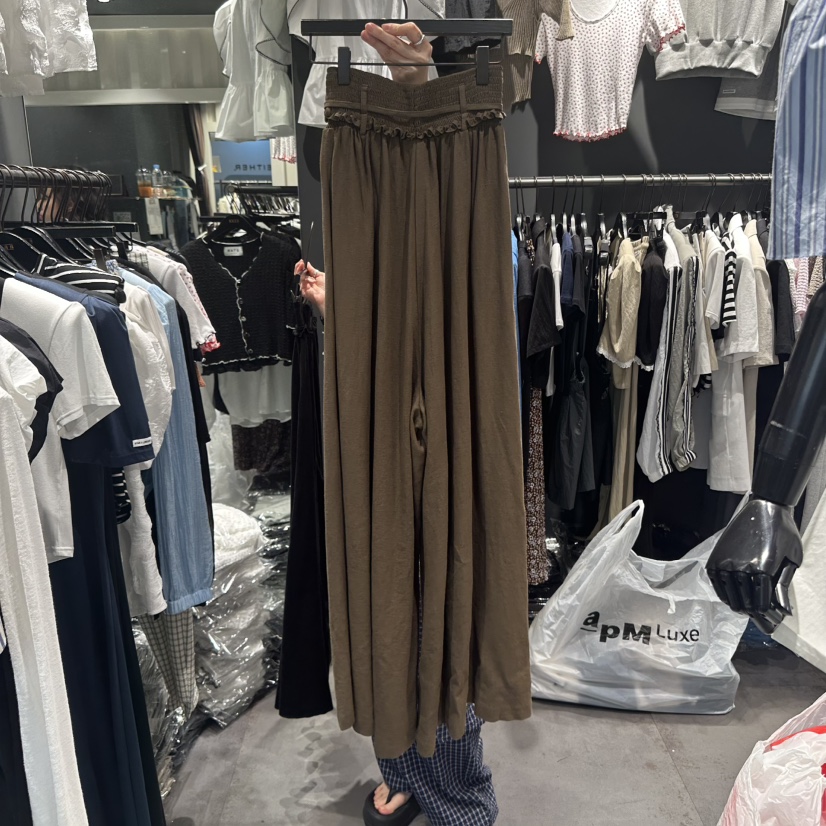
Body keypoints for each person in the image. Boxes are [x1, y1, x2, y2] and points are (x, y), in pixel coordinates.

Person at [294, 22, 500, 826]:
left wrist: (418, 88)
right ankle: (406, 766)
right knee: (385, 575)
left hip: (439, 137)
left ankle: (460, 790)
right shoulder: (352, 146)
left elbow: (445, 298)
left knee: (444, 572)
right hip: (367, 142)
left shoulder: (463, 168)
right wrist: (344, 314)